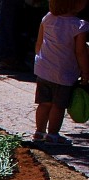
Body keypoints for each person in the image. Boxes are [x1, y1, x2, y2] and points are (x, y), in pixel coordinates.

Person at [33, 0, 89, 143]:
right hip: (63, 73)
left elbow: (39, 43)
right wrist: (85, 72)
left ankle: (39, 132)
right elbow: (81, 52)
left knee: (44, 103)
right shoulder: (79, 25)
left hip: (43, 69)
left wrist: (40, 60)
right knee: (58, 105)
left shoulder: (48, 18)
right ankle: (52, 134)